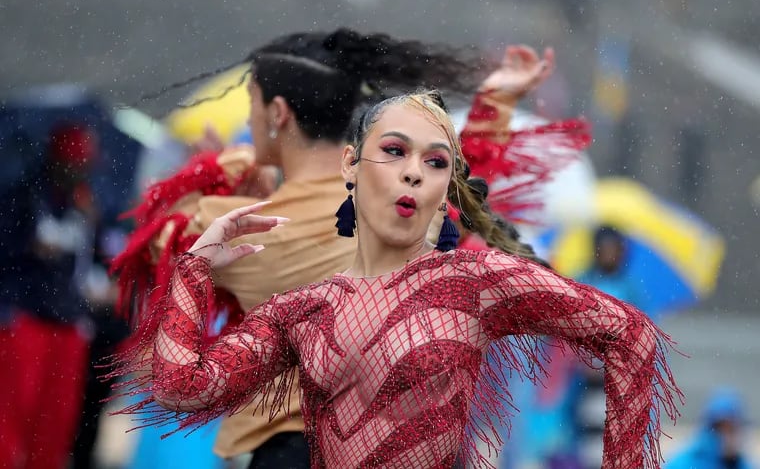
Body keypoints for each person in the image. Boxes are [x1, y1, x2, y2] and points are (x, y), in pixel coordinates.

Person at [112, 91, 680, 469]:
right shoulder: (306, 309)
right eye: (394, 150)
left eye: (436, 162)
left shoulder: (475, 282)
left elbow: (630, 335)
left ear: (445, 187)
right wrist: (194, 271)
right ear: (350, 166)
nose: (414, 169)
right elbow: (184, 387)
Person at [112, 29, 562, 467]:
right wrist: (497, 102)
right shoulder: (409, 204)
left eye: (252, 104)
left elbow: (157, 244)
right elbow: (469, 180)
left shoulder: (232, 223)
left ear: (279, 114)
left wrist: (217, 171)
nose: (248, 121)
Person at [0, 122, 98, 469]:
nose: (80, 169)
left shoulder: (83, 202)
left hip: (68, 324)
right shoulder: (23, 194)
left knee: (56, 425)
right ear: (56, 158)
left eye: (85, 161)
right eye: (74, 160)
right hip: (26, 319)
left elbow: (87, 266)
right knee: (12, 419)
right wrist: (31, 242)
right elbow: (9, 253)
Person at [665, 387, 756, 469]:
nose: (728, 437)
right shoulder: (683, 464)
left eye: (732, 430)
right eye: (721, 429)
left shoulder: (745, 465)